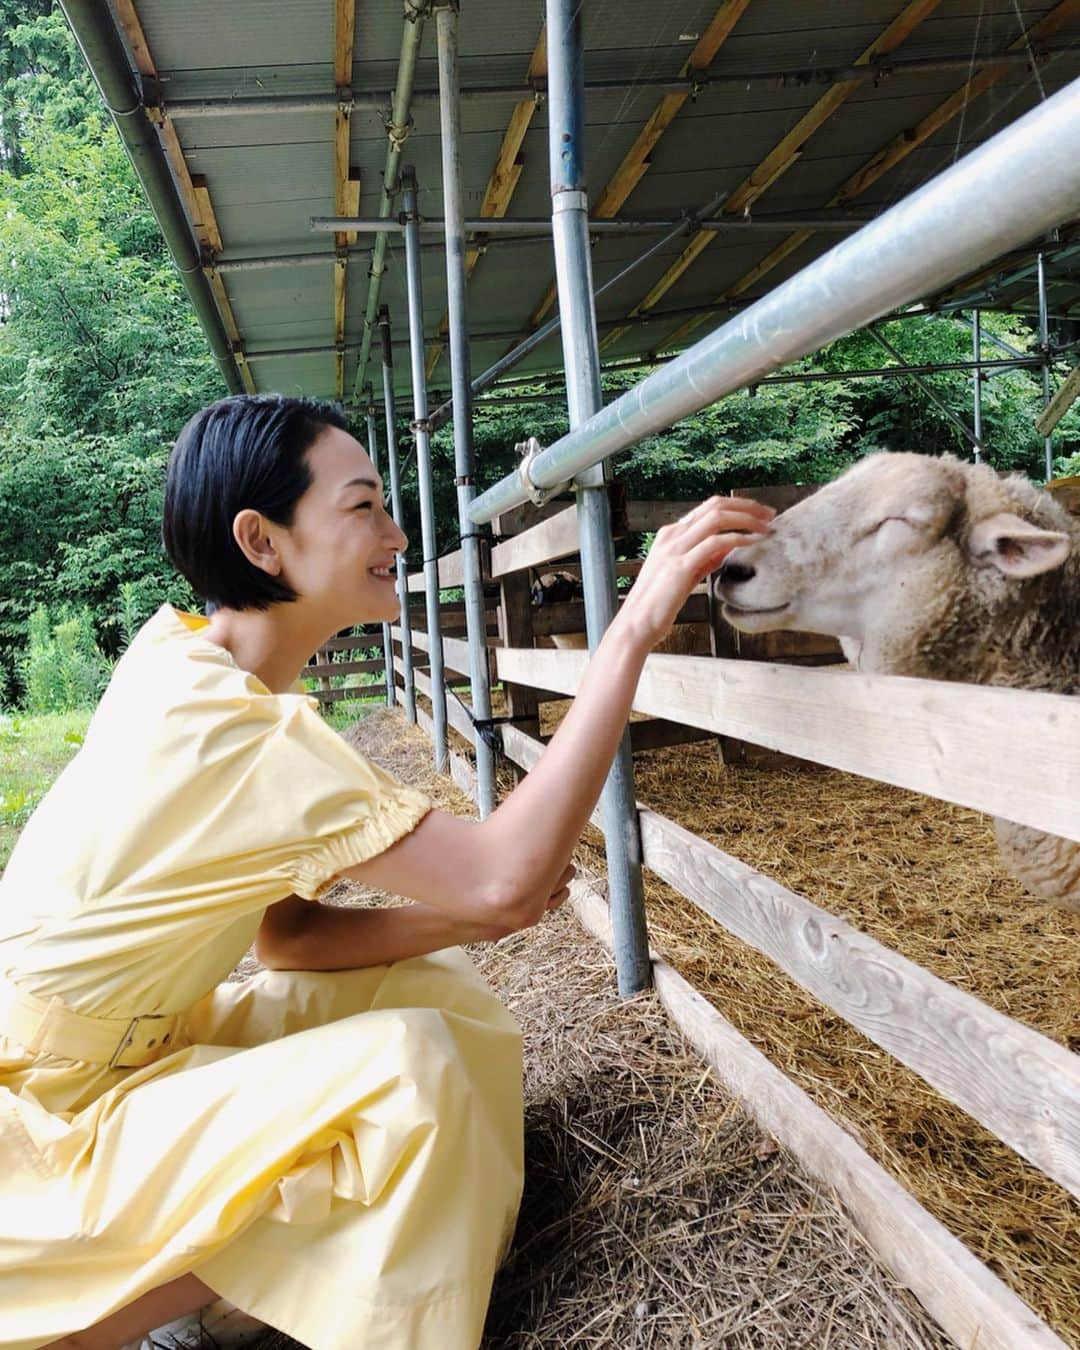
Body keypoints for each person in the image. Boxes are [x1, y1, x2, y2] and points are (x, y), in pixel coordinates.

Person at [0, 394, 773, 1350]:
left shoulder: (184, 660)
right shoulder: (234, 732)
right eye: (362, 506)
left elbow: (288, 939)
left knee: (436, 998)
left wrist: (477, 924)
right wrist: (629, 631)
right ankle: (124, 1316)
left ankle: (263, 1286)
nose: (396, 534)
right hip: (49, 1123)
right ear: (262, 540)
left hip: (127, 1057)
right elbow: (502, 878)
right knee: (409, 1071)